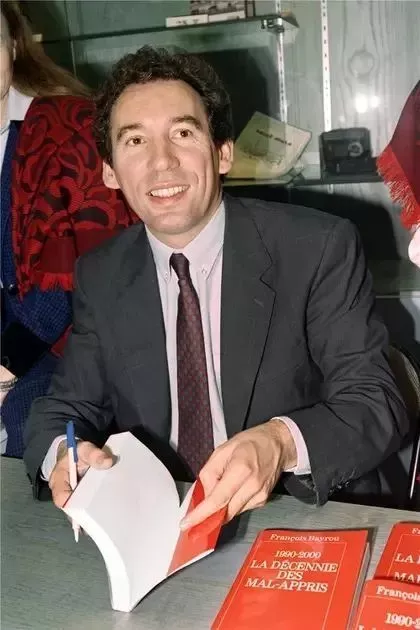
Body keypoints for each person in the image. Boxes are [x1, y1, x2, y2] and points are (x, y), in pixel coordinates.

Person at [24, 46, 407, 529]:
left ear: (223, 153)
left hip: (297, 511)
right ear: (110, 171)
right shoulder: (102, 273)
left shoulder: (316, 247)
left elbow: (375, 401)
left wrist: (281, 443)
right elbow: (65, 407)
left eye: (183, 133)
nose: (161, 162)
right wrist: (64, 452)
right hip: (160, 522)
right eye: (135, 141)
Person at [0, 1, 136, 457]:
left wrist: (5, 368)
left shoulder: (69, 128)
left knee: (29, 427)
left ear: (14, 45)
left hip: (68, 342)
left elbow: (82, 274)